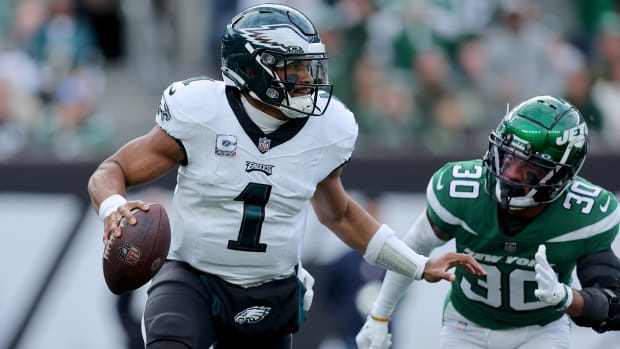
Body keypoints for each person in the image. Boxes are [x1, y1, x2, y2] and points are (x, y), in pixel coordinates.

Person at [87, 4, 484, 349]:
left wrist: (415, 264)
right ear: (251, 69)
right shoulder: (201, 112)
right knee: (170, 337)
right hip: (193, 277)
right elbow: (113, 170)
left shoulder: (328, 129)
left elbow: (341, 215)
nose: (310, 80)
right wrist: (113, 207)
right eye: (295, 69)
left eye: (311, 68)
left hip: (269, 288)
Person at [356, 95, 620, 349]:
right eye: (507, 157)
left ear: (561, 177)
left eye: (530, 169)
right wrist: (379, 316)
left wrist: (567, 298)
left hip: (541, 331)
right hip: (466, 326)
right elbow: (413, 247)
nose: (510, 174)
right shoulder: (463, 191)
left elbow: (613, 306)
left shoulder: (584, 214)